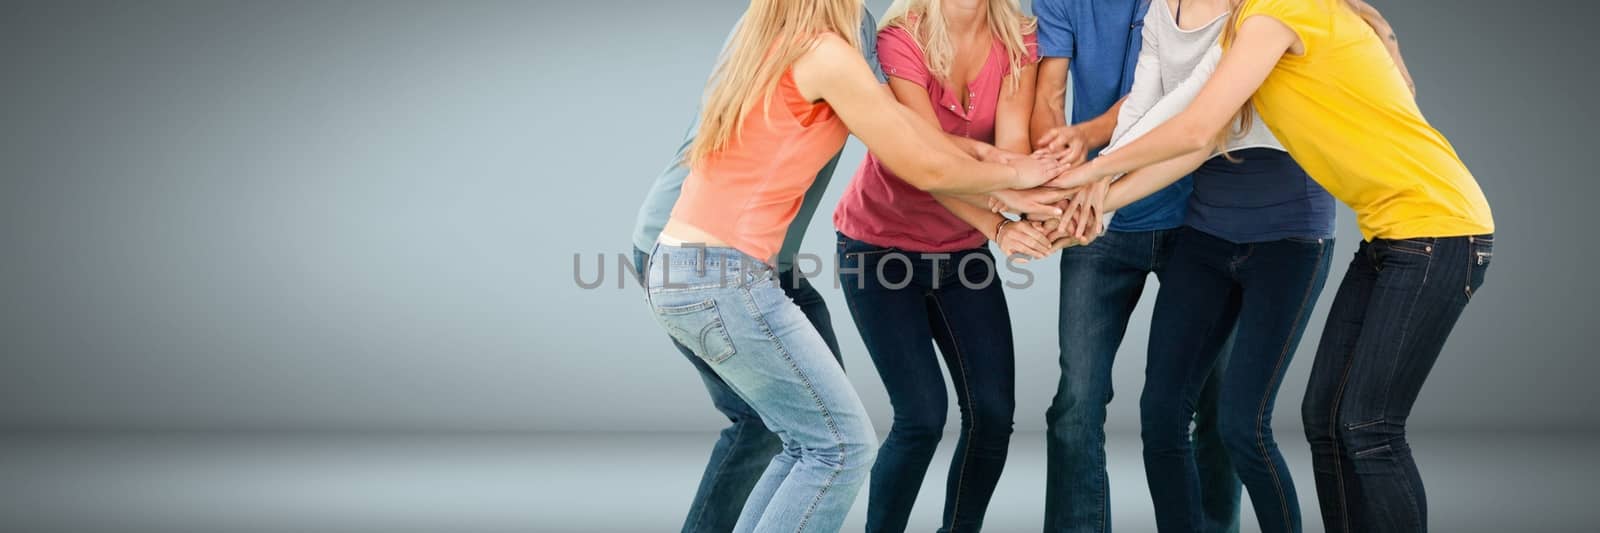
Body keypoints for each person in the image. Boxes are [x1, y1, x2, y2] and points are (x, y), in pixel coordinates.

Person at [1040, 0, 1494, 530]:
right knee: (1325, 421)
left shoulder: (1281, 12)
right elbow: (1195, 135)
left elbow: (1192, 128)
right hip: (1389, 235)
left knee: (1368, 428)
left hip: (1439, 228)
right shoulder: (1249, 24)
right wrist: (1102, 199)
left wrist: (1087, 178)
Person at [642, 0, 1067, 530]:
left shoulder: (772, 48)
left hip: (685, 268)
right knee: (839, 449)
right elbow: (923, 162)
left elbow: (922, 141)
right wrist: (1030, 181)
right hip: (725, 279)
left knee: (805, 445)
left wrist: (1014, 171)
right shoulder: (828, 56)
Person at [1062, 0, 1334, 529]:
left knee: (1243, 427)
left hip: (1288, 235)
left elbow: (1193, 117)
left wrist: (1098, 179)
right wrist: (1098, 187)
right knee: (1161, 417)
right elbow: (1142, 108)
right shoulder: (1165, 11)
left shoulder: (1263, 12)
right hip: (1206, 232)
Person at [629, 7, 883, 532]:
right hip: (707, 250)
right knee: (807, 436)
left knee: (811, 429)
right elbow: (907, 132)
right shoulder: (839, 25)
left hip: (729, 252)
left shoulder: (775, 17)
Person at [831, 1, 1042, 531]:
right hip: (879, 250)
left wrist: (1035, 201)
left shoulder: (1020, 37)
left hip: (961, 253)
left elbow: (1013, 147)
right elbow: (925, 159)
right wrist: (1002, 219)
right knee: (922, 418)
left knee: (993, 416)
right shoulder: (900, 36)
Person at [1025, 1, 1237, 530]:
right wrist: (1056, 155)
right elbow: (1048, 95)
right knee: (1077, 401)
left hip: (1199, 217)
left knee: (1216, 400)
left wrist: (1090, 140)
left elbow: (1177, 95)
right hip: (1097, 221)